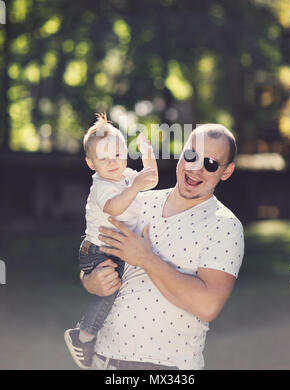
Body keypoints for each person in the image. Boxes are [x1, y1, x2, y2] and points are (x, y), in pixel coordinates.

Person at [81, 123, 245, 370]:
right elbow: (95, 252)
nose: (195, 169)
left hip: (165, 367)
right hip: (104, 360)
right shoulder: (138, 201)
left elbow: (208, 305)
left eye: (210, 164)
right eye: (191, 155)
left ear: (227, 171)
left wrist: (146, 259)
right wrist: (90, 280)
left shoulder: (225, 225)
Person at [64, 113, 158, 369]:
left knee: (121, 291)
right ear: (91, 163)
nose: (113, 162)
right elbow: (115, 208)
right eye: (104, 159)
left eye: (117, 154)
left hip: (113, 248)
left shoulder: (126, 175)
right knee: (110, 289)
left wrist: (147, 153)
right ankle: (83, 336)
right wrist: (134, 187)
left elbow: (151, 179)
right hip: (97, 250)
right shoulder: (101, 187)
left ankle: (106, 339)